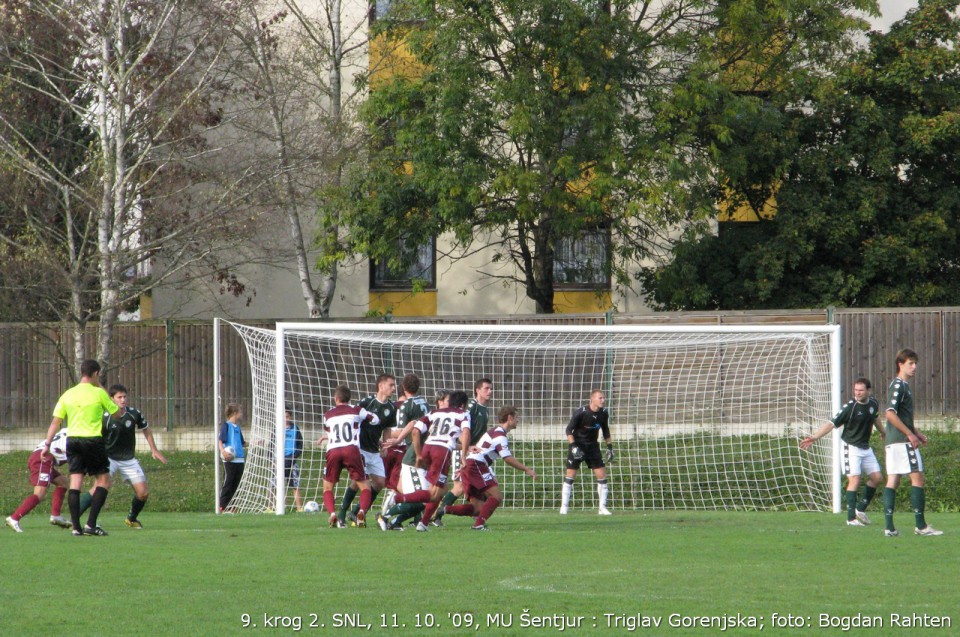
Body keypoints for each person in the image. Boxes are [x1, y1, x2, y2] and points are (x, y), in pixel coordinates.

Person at [42, 359, 124, 536]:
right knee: (103, 481)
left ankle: (76, 528)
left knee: (75, 483)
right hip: (93, 441)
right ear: (95, 374)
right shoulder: (98, 393)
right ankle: (91, 525)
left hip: (73, 441)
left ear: (81, 373)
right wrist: (101, 386)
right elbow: (117, 414)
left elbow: (56, 421)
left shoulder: (68, 394)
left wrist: (47, 444)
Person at [77, 384, 167, 529]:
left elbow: (146, 430)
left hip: (128, 460)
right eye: (119, 397)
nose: (123, 400)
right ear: (111, 399)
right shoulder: (105, 417)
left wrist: (154, 450)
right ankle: (74, 519)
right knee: (98, 488)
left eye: (125, 396)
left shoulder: (134, 413)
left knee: (143, 493)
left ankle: (131, 519)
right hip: (108, 458)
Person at [800, 378, 884, 526]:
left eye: (861, 390)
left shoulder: (873, 404)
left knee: (877, 478)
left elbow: (875, 418)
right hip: (850, 447)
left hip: (865, 447)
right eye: (856, 390)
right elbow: (831, 424)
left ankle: (860, 509)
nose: (857, 393)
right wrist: (814, 437)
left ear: (868, 391)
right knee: (855, 480)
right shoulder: (849, 408)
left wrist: (883, 432)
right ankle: (851, 519)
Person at [437, 405, 536, 530]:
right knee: (496, 497)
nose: (518, 420)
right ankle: (478, 525)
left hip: (472, 465)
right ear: (509, 418)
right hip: (476, 465)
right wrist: (526, 469)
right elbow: (507, 458)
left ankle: (444, 509)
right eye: (517, 417)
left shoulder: (495, 432)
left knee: (477, 508)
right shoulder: (500, 435)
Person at [388, 390, 471, 531]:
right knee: (433, 493)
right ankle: (396, 500)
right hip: (442, 451)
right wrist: (463, 456)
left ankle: (423, 523)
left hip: (427, 447)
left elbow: (415, 431)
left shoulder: (433, 413)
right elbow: (466, 432)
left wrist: (420, 454)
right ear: (462, 405)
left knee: (442, 489)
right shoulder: (463, 414)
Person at [882, 349, 942, 537]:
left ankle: (890, 528)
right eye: (911, 363)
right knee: (917, 478)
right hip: (901, 442)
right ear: (900, 364)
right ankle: (921, 526)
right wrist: (910, 434)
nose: (915, 367)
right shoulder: (899, 385)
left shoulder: (903, 386)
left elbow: (901, 415)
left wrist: (916, 432)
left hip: (894, 441)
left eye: (916, 363)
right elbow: (890, 413)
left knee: (893, 479)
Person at [317, 385, 380, 528]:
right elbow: (375, 419)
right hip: (351, 449)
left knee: (327, 488)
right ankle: (362, 511)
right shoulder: (357, 410)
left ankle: (333, 514)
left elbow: (330, 431)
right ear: (349, 398)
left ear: (336, 398)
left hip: (333, 450)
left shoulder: (327, 415)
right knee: (365, 487)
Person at [340, 373, 396, 525]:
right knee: (358, 480)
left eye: (394, 385)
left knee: (380, 482)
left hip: (374, 450)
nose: (394, 388)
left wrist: (384, 446)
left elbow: (387, 429)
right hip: (360, 448)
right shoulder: (367, 402)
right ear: (381, 386)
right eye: (391, 385)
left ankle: (357, 511)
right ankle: (342, 513)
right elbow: (353, 419)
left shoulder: (391, 408)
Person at [436, 378, 492, 526]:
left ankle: (476, 512)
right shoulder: (471, 407)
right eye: (486, 388)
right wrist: (465, 448)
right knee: (459, 487)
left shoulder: (485, 409)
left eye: (490, 389)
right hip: (463, 451)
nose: (490, 392)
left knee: (483, 483)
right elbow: (461, 428)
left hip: (475, 453)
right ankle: (437, 515)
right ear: (477, 390)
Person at [560, 389, 614, 515]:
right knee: (570, 475)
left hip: (593, 447)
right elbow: (568, 430)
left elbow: (606, 431)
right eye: (600, 398)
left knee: (602, 476)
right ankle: (564, 507)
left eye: (603, 398)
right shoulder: (581, 412)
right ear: (592, 399)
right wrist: (573, 446)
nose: (603, 400)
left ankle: (602, 508)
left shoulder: (604, 413)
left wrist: (610, 447)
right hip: (577, 445)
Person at [6, 430, 71, 532]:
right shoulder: (76, 438)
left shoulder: (66, 429)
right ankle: (14, 518)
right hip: (43, 459)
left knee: (63, 482)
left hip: (41, 456)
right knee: (39, 493)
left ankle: (56, 515)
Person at [218, 403, 246, 513]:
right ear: (235, 413)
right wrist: (223, 451)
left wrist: (256, 443)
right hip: (229, 459)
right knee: (228, 482)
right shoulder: (226, 425)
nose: (242, 414)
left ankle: (232, 506)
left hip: (239, 459)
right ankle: (222, 505)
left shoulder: (238, 428)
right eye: (240, 412)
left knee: (236, 484)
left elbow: (242, 443)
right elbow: (220, 440)